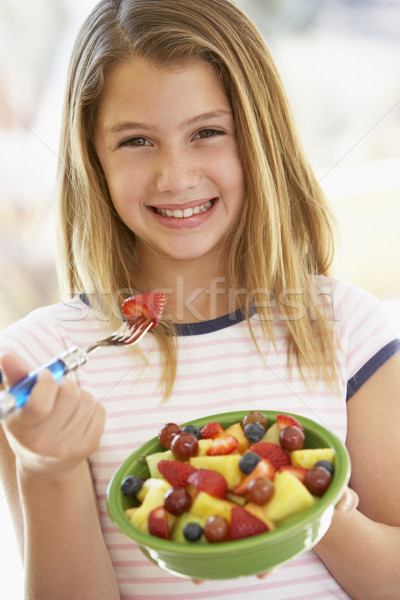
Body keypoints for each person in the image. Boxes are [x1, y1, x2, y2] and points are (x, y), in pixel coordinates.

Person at [0, 0, 399, 598]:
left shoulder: (348, 329)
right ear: (92, 156)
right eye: (137, 141)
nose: (176, 176)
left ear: (259, 137)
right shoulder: (39, 366)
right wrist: (47, 469)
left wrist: (302, 504)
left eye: (207, 132)